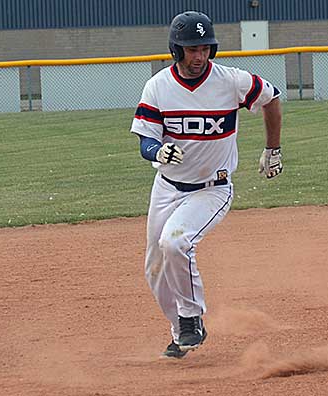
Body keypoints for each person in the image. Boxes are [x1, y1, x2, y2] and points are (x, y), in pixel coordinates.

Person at [130, 10, 283, 358]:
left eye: (204, 48)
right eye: (190, 49)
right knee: (155, 267)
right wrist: (159, 149)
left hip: (212, 189)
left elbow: (271, 97)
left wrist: (272, 148)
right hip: (167, 187)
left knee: (175, 242)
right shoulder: (158, 86)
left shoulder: (231, 81)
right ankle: (181, 329)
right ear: (176, 50)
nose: (198, 56)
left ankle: (191, 318)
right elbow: (145, 142)